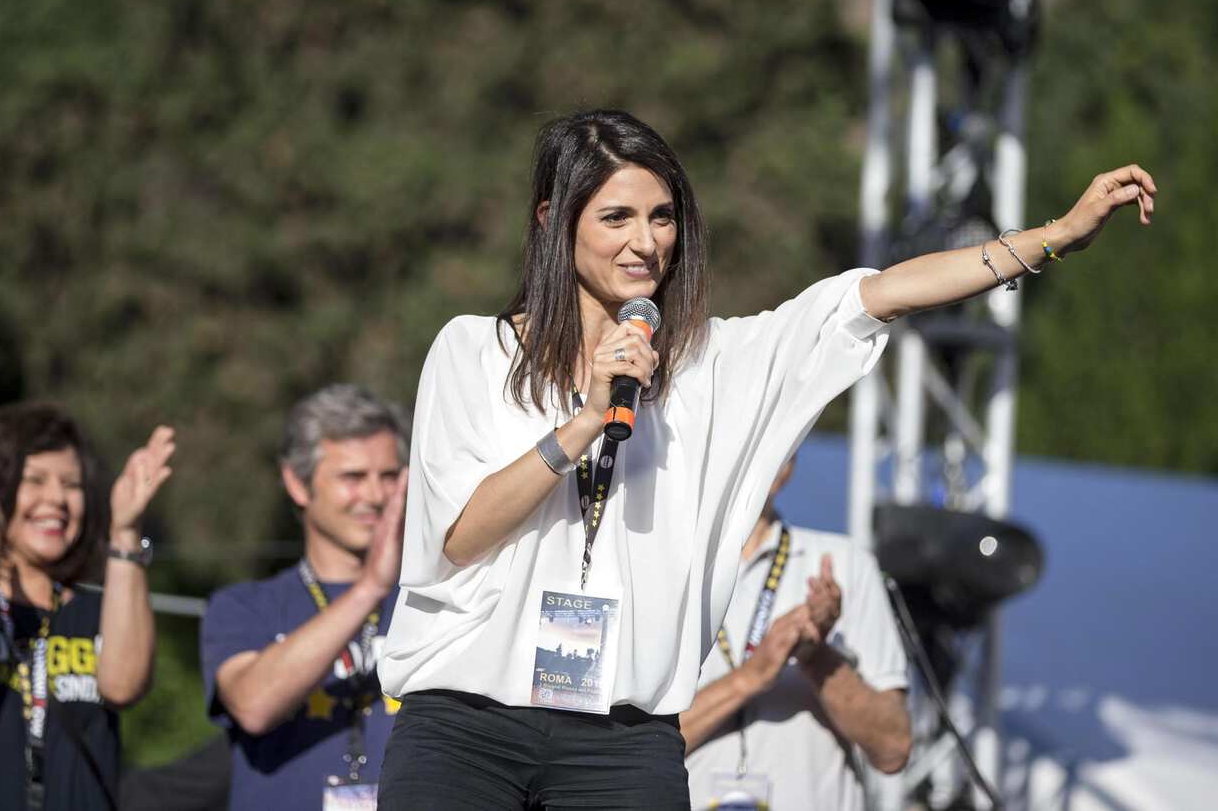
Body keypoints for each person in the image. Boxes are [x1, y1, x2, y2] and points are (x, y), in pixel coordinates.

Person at [377, 108, 1156, 809]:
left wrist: (1054, 235)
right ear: (553, 219)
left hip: (623, 743)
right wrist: (584, 420)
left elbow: (880, 294)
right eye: (616, 217)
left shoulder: (717, 364)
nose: (644, 242)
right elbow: (460, 536)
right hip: (464, 730)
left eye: (661, 217)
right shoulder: (475, 352)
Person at [0, 402, 173, 811]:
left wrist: (126, 530)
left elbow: (125, 685)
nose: (57, 499)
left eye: (72, 485)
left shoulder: (100, 607)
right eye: (35, 480)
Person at [200, 384, 408, 811]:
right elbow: (254, 706)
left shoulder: (433, 598)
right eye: (352, 478)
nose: (374, 496)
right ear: (297, 484)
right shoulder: (244, 606)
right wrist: (369, 588)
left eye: (389, 476)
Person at [681, 457, 911, 811]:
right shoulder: (664, 566)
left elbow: (892, 749)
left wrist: (816, 656)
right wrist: (750, 677)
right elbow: (620, 752)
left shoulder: (843, 563)